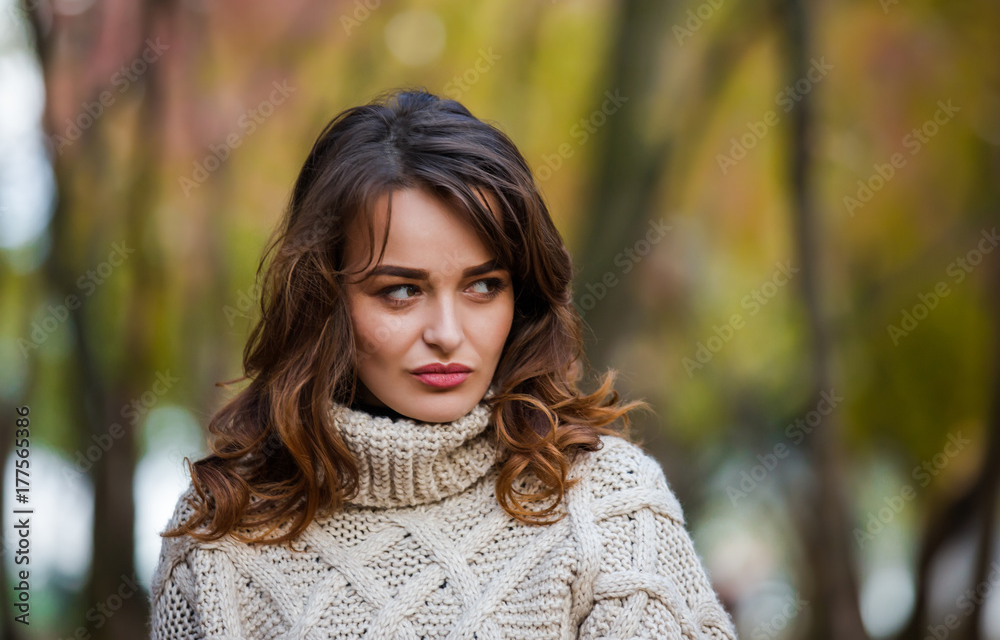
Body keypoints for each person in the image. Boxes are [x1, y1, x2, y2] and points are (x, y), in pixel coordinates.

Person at [149, 88, 737, 639]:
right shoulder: (222, 528)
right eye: (401, 291)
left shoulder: (605, 502)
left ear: (521, 295)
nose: (448, 334)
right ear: (324, 299)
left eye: (483, 286)